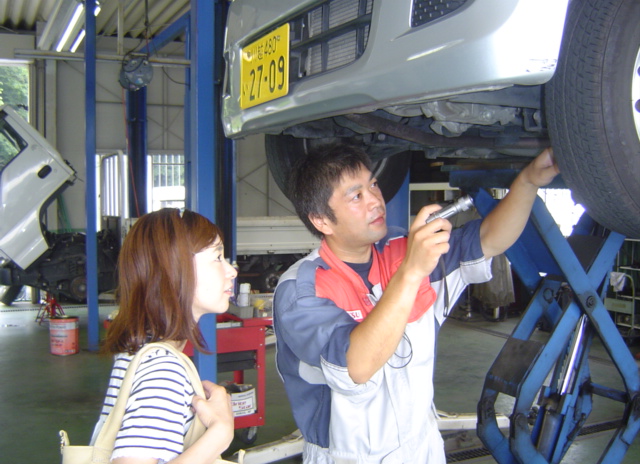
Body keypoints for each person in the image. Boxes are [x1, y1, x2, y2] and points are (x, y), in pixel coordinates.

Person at [273, 144, 560, 463]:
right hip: (350, 456)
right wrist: (410, 272)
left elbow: (490, 239)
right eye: (356, 196)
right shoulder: (302, 290)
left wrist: (528, 181)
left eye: (373, 185)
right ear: (321, 220)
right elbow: (356, 367)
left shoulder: (402, 247)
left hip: (421, 445)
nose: (375, 200)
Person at [93, 208, 237, 464]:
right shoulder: (163, 369)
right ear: (173, 269)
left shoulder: (140, 351)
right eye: (217, 257)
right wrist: (221, 432)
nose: (231, 271)